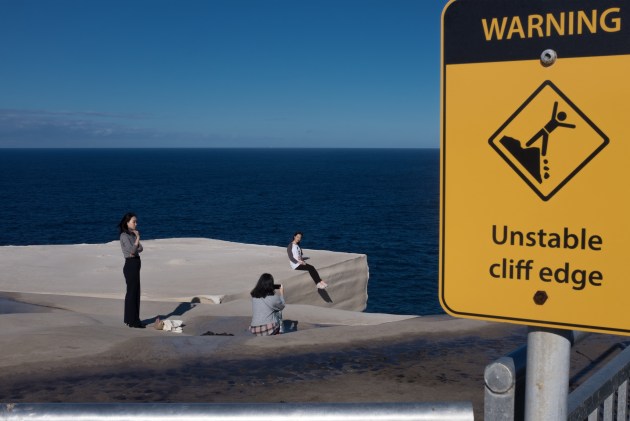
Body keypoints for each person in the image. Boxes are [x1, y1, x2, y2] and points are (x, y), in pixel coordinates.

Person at [118, 212, 145, 328]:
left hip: (135, 264)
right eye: (134, 221)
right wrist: (138, 238)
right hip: (130, 265)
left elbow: (141, 248)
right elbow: (133, 251)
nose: (136, 223)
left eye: (136, 221)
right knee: (132, 293)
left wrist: (136, 240)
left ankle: (132, 319)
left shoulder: (132, 234)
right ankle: (132, 321)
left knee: (135, 292)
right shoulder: (124, 236)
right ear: (127, 222)